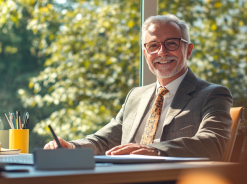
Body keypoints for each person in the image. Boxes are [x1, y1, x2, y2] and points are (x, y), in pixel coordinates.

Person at [44, 14, 233, 161]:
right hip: (125, 179)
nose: (162, 52)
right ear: (145, 53)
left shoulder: (213, 95)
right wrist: (71, 147)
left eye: (171, 44)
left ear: (188, 50)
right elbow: (104, 140)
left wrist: (154, 150)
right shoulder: (136, 96)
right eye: (153, 46)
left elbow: (213, 143)